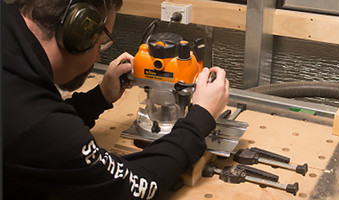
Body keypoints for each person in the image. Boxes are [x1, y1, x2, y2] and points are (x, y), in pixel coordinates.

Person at [2, 0, 230, 199]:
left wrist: (99, 98)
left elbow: (36, 139)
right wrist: (199, 118)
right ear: (77, 33)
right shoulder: (36, 121)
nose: (98, 56)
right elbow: (137, 186)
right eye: (101, 43)